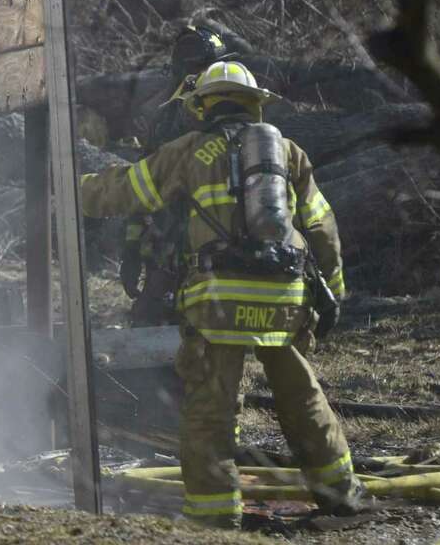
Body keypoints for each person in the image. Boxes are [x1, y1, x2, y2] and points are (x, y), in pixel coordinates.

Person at [81, 61, 365, 530]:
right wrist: (332, 292)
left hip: (219, 299)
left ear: (203, 106)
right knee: (303, 397)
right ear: (256, 104)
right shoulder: (287, 152)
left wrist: (74, 190)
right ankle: (341, 493)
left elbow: (127, 191)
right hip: (284, 298)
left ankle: (214, 516)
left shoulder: (189, 151)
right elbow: (321, 227)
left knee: (211, 406)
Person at [121, 25, 232, 325]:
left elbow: (141, 188)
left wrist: (132, 250)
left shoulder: (176, 114)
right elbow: (145, 185)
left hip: (196, 247)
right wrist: (132, 249)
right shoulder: (176, 115)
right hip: (186, 244)